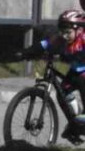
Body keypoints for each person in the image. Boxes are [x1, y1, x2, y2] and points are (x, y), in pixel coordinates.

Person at [17, 9, 85, 143]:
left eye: (68, 32)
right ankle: (74, 124)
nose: (64, 36)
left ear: (79, 30)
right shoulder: (62, 39)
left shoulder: (83, 38)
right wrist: (25, 53)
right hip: (76, 71)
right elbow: (44, 44)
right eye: (62, 32)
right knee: (62, 93)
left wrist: (65, 56)